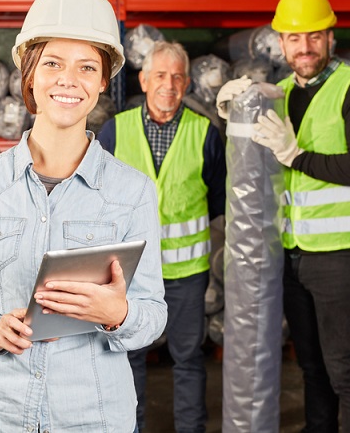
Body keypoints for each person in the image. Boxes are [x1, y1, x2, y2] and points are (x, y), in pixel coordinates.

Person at [0, 0, 168, 432]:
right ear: (30, 72)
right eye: (53, 63)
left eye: (87, 67)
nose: (67, 80)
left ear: (102, 82)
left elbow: (152, 310)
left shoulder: (131, 191)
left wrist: (118, 315)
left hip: (93, 415)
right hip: (0, 414)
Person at [217, 0, 350, 433]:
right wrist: (236, 103)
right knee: (312, 369)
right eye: (294, 39)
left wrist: (296, 157)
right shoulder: (285, 94)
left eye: (314, 36)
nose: (305, 47)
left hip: (343, 256)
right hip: (295, 256)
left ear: (331, 36)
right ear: (280, 44)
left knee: (345, 372)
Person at [97, 40, 226, 433]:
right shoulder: (114, 132)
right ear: (143, 79)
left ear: (186, 83)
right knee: (129, 358)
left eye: (176, 77)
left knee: (187, 358)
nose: (167, 85)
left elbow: (219, 200)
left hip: (187, 272)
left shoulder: (205, 133)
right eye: (159, 76)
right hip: (129, 274)